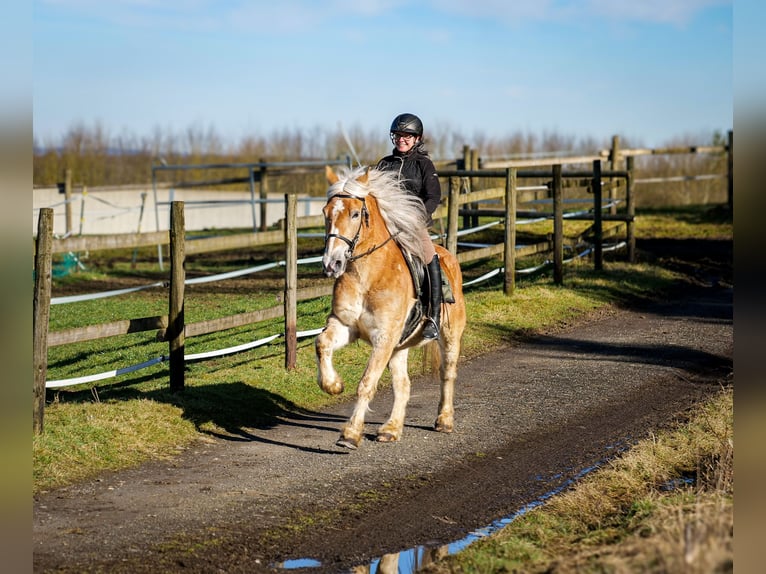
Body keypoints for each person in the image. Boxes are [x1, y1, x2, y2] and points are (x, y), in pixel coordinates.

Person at [376, 113, 443, 340]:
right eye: (398, 135)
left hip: (414, 225)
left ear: (417, 139)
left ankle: (434, 316)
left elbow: (433, 196)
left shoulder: (424, 164)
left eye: (407, 135)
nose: (401, 139)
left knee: (427, 253)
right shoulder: (384, 164)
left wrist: (416, 218)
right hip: (386, 224)